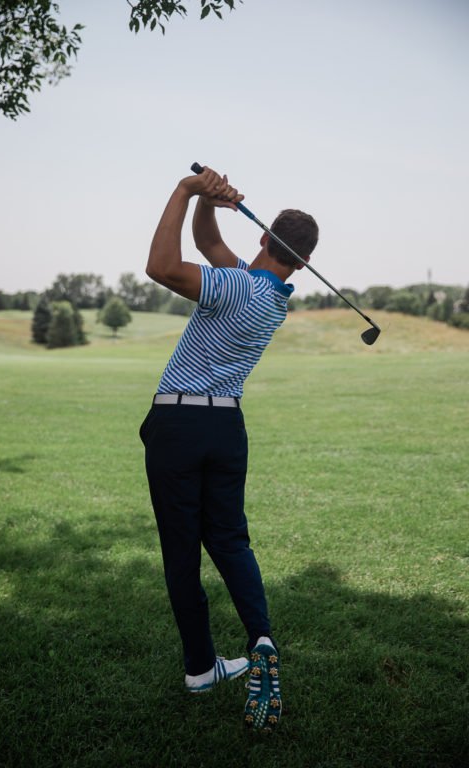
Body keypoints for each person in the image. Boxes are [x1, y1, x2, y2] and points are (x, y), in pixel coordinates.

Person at [139, 166, 318, 731]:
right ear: (302, 263)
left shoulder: (236, 285)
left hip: (178, 425)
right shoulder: (270, 299)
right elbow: (208, 242)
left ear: (264, 237)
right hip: (227, 430)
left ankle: (200, 667)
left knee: (181, 552)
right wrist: (212, 202)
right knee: (230, 539)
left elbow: (161, 266)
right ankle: (260, 636)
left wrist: (187, 188)